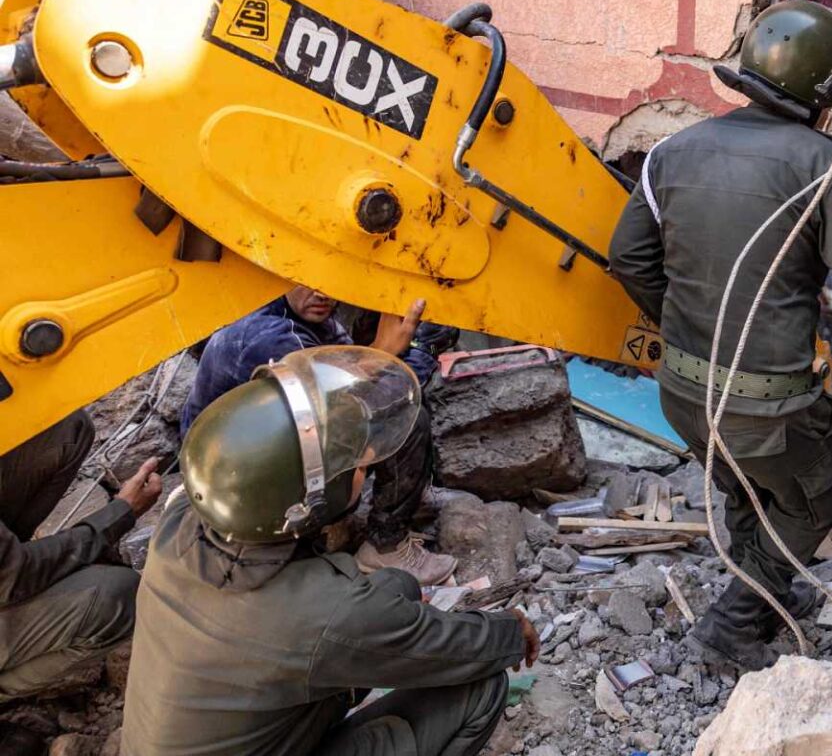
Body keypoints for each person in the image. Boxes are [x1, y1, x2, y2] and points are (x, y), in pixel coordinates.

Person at [608, 0, 832, 670]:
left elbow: (628, 258)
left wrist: (686, 325)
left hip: (681, 390)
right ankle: (733, 625)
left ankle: (770, 585)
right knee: (826, 487)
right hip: (765, 404)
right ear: (829, 91)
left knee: (753, 487)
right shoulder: (823, 163)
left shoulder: (673, 150)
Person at [124, 345, 538, 756]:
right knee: (481, 687)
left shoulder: (182, 520)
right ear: (305, 500)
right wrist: (509, 632)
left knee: (397, 584)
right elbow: (460, 648)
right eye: (354, 463)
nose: (363, 463)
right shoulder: (325, 614)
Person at [181, 284, 457, 584]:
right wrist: (407, 352)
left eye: (329, 283)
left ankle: (397, 499)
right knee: (408, 415)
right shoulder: (268, 335)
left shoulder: (311, 320)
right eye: (306, 282)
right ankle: (385, 544)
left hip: (252, 460)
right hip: (230, 485)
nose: (322, 294)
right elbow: (347, 408)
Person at [0, 411, 163, 703]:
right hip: (10, 575)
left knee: (65, 431)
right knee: (115, 596)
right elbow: (15, 573)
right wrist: (120, 513)